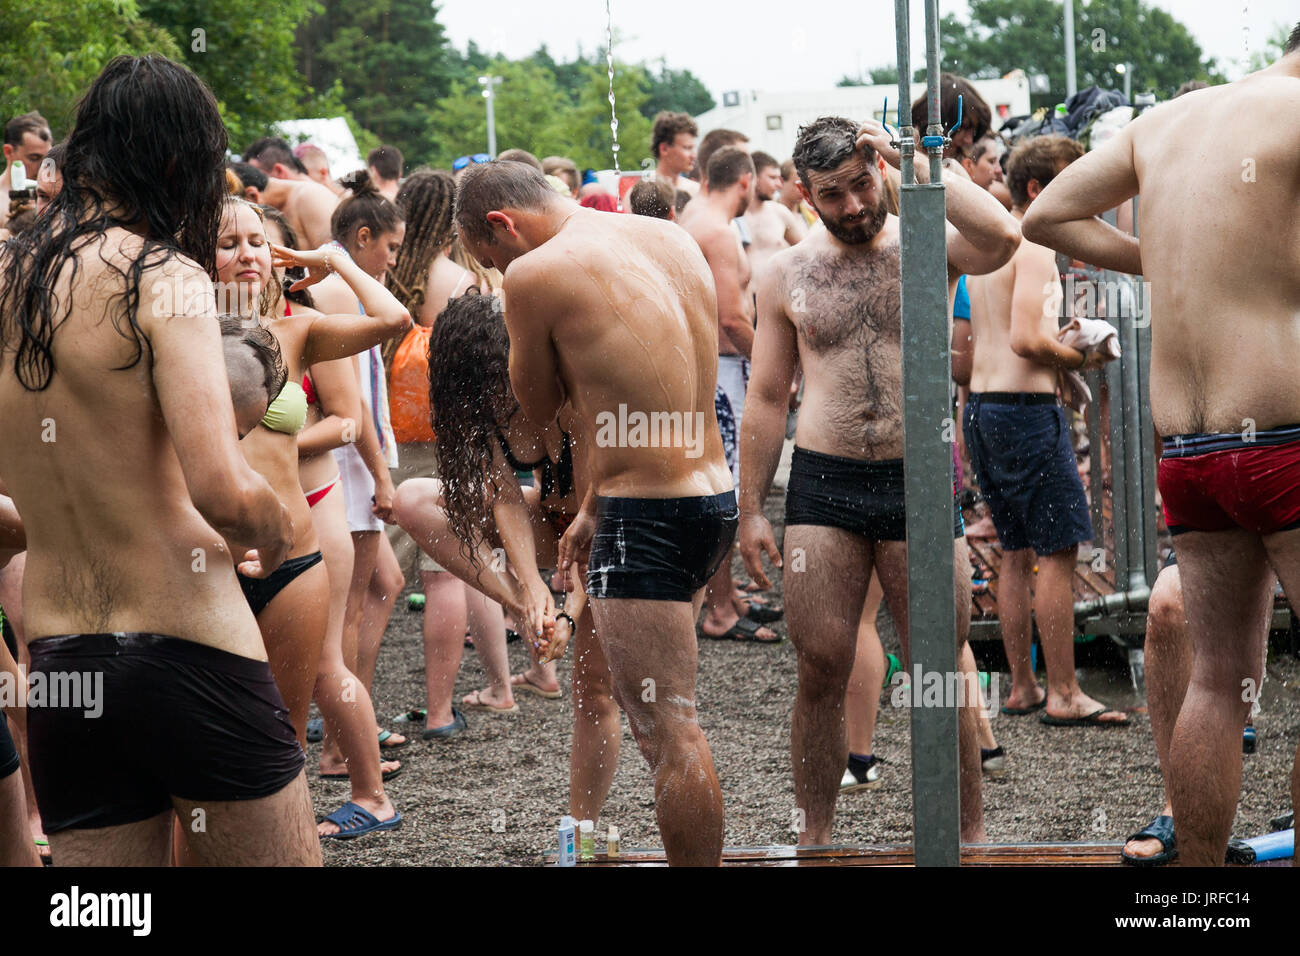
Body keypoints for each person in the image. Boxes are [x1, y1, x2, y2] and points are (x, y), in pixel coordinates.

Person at [0, 53, 319, 866]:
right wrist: (280, 533)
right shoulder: (162, 273)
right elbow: (220, 488)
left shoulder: (7, 278)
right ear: (176, 161)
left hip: (66, 661)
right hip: (187, 639)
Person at [1021, 21, 1300, 866]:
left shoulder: (1167, 121)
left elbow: (1045, 213)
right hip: (1285, 432)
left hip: (1191, 447)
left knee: (1217, 682)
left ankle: (1200, 895)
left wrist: (1162, 260)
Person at [738, 115, 1021, 845]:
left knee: (938, 665)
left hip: (921, 475)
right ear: (806, 194)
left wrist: (913, 161)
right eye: (834, 194)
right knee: (821, 664)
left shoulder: (925, 247)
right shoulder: (786, 272)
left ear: (878, 169)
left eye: (863, 184)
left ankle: (967, 838)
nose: (855, 205)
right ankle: (816, 839)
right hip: (825, 482)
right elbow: (768, 397)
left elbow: (1003, 236)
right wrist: (749, 511)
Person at [454, 159, 736, 866]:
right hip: (708, 497)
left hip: (646, 519)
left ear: (502, 224)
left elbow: (537, 415)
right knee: (667, 721)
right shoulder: (665, 236)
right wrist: (592, 503)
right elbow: (648, 396)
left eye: (493, 258)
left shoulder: (534, 273)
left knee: (668, 731)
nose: (501, 270)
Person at [214, 196, 410, 839]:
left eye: (257, 242)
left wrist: (330, 260)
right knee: (222, 709)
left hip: (304, 527)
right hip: (213, 550)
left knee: (311, 688)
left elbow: (392, 319)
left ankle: (352, 802)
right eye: (228, 242)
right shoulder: (178, 334)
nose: (247, 254)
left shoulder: (297, 327)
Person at [393, 293, 619, 821]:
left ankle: (583, 831)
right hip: (552, 526)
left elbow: (599, 528)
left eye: (506, 376)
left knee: (598, 692)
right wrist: (530, 591)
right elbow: (505, 499)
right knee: (414, 499)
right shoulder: (485, 409)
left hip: (609, 532)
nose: (503, 391)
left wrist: (568, 612)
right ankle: (520, 608)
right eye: (485, 384)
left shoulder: (570, 398)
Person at [964, 135, 1128, 730]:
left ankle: (1023, 687)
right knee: (1058, 552)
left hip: (984, 410)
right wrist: (1084, 358)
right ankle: (1064, 692)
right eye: (1072, 179)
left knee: (1015, 551)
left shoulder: (988, 239)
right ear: (1039, 190)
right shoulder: (1033, 244)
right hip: (1025, 414)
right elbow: (1027, 342)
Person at [382, 168, 519, 723]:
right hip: (453, 435)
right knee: (455, 568)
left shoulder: (386, 277)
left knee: (376, 578)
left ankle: (344, 709)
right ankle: (453, 704)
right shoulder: (461, 281)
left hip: (394, 437)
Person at [307, 174, 409, 750]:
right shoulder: (346, 291)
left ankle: (354, 720)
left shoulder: (331, 285)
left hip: (345, 457)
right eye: (390, 248)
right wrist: (383, 475)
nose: (393, 261)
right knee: (349, 605)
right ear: (363, 237)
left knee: (384, 584)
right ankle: (340, 746)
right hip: (348, 463)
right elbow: (358, 400)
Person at [678, 147, 780, 644]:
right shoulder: (717, 231)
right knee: (723, 488)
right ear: (745, 181)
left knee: (719, 484)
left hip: (712, 367)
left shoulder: (694, 215)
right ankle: (719, 608)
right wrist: (775, 369)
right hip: (721, 368)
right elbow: (731, 318)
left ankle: (728, 597)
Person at [249, 136, 340, 249]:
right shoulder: (293, 201)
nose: (260, 183)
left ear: (279, 170)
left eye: (260, 176)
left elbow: (335, 257)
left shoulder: (310, 195)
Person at [741, 151, 807, 287]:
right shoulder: (735, 216)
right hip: (747, 297)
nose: (779, 185)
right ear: (754, 178)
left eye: (779, 178)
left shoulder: (780, 213)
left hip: (778, 295)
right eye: (772, 178)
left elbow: (806, 253)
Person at [0, 112, 52, 229]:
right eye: (34, 158)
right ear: (8, 151)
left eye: (48, 159)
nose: (43, 166)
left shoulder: (54, 196)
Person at [651, 111, 699, 196]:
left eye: (693, 148)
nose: (693, 155)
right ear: (664, 149)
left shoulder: (696, 191)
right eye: (687, 148)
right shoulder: (641, 195)